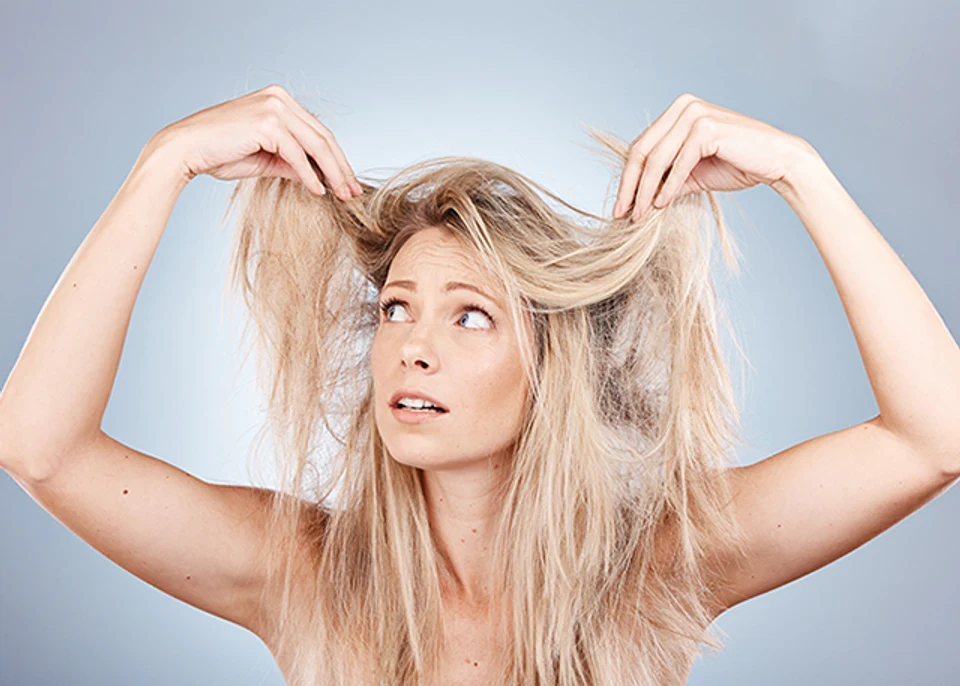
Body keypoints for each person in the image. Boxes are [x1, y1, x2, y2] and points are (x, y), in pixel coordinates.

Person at [1, 85, 958, 685]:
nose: (412, 347)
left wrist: (803, 171)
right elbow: (39, 448)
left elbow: (937, 437)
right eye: (396, 309)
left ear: (552, 370)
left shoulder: (654, 573)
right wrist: (161, 163)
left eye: (470, 316)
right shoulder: (303, 572)